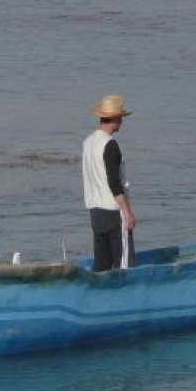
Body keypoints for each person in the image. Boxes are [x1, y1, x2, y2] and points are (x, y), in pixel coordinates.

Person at [82, 94, 137, 272]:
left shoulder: (88, 142)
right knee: (124, 264)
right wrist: (127, 212)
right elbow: (114, 183)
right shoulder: (110, 144)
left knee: (101, 264)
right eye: (120, 117)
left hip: (95, 211)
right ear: (114, 119)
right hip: (113, 212)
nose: (122, 121)